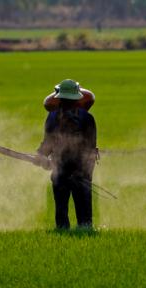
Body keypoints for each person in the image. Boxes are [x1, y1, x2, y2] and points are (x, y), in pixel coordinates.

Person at [37, 79, 98, 229]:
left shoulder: (52, 117)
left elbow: (47, 142)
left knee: (61, 209)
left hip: (61, 169)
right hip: (81, 171)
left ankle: (63, 231)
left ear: (59, 98)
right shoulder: (87, 118)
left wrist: (42, 155)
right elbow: (91, 147)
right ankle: (85, 230)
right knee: (84, 210)